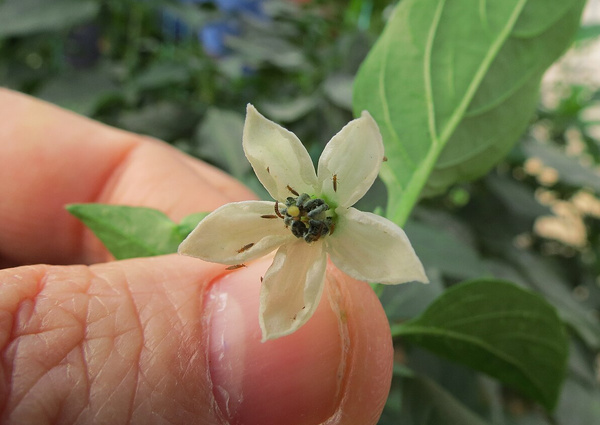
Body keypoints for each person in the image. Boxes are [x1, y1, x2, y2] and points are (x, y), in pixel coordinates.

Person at [0, 88, 392, 425]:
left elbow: (378, 241)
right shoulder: (292, 222)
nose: (301, 212)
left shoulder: (317, 217)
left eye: (308, 214)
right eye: (303, 211)